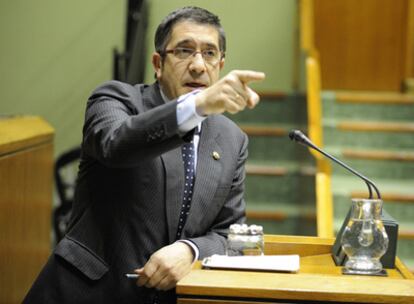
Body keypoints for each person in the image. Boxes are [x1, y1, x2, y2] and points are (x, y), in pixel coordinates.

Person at [24, 6, 265, 304]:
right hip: (86, 293)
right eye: (184, 51)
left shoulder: (232, 139)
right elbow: (116, 144)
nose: (198, 65)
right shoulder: (115, 99)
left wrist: (190, 249)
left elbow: (228, 233)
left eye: (210, 53)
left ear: (221, 64)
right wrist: (197, 106)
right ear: (158, 63)